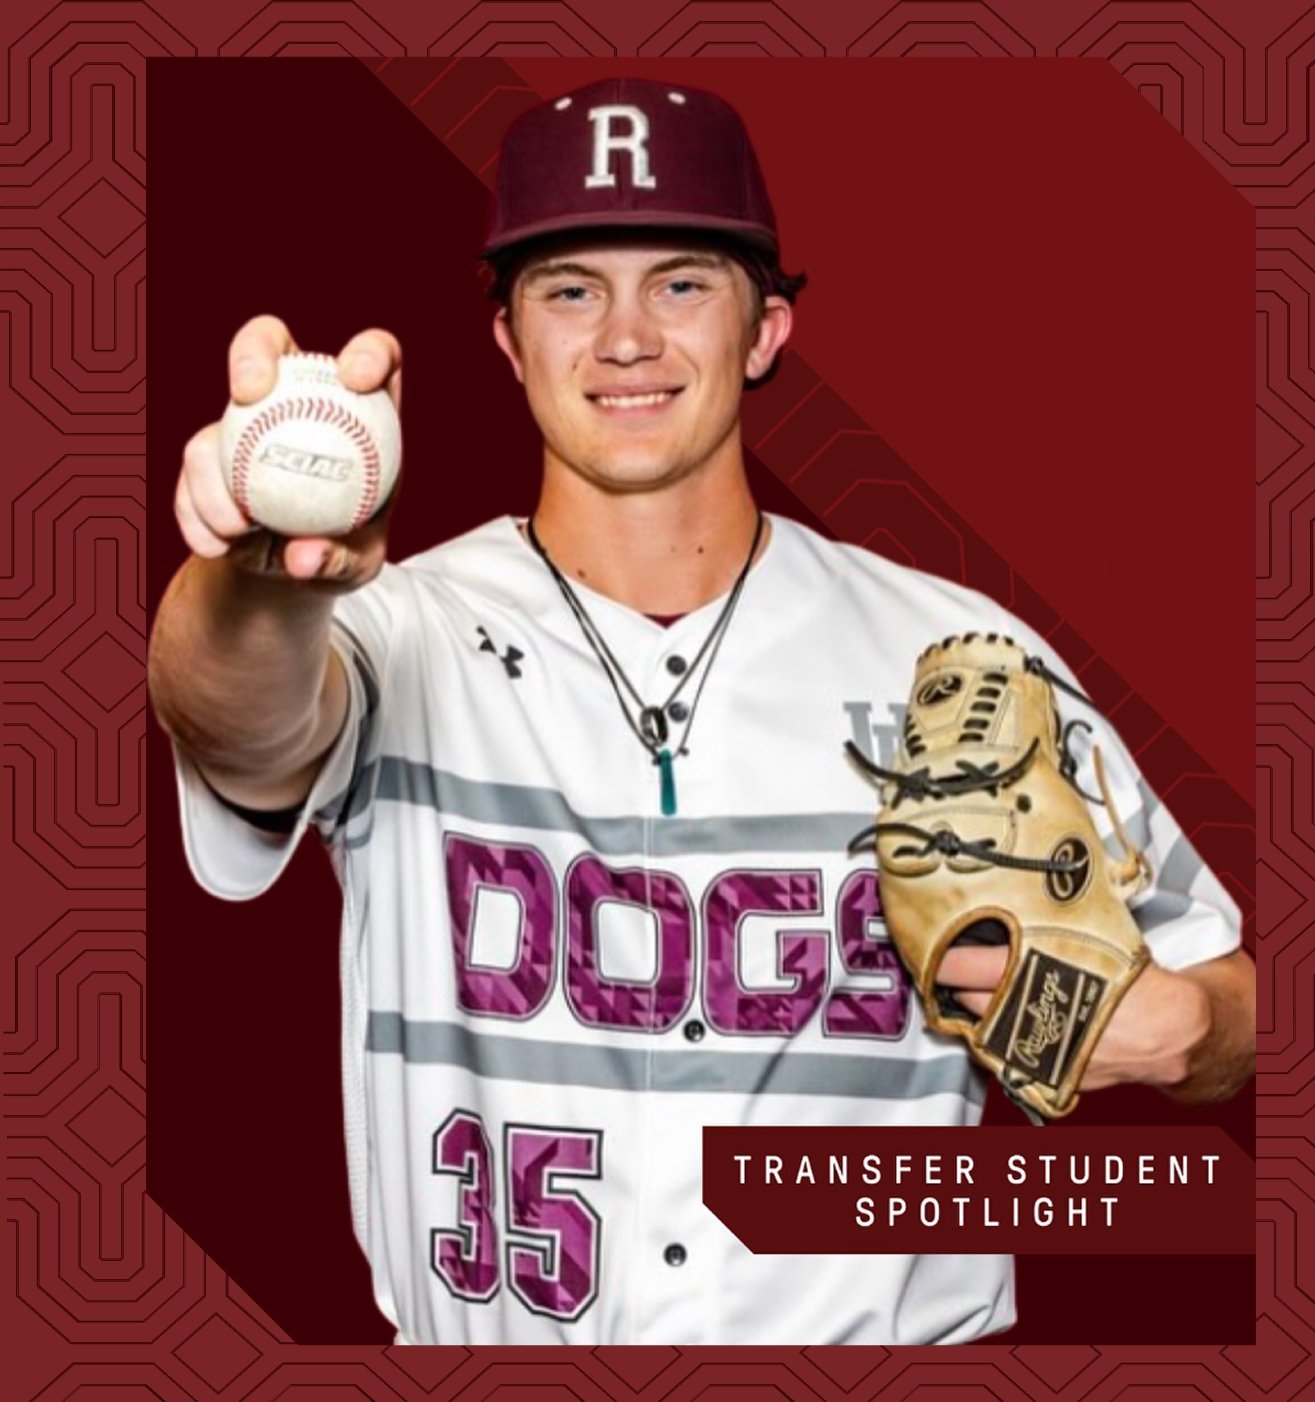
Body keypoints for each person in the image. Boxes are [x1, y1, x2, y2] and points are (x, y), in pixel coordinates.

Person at [149, 78, 1254, 1345]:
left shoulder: (956, 657)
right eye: (571, 288)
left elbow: (1233, 1002)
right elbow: (231, 711)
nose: (626, 339)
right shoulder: (398, 630)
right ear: (508, 338)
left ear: (766, 330)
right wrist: (253, 578)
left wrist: (1184, 1028)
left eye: (680, 283)